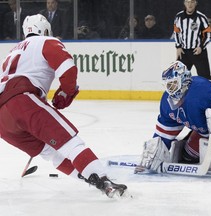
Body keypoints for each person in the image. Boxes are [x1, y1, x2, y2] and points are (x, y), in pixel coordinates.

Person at [0, 14, 127, 198]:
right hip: (22, 102)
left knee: (51, 152)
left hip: (3, 121)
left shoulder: (12, 52)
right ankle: (103, 180)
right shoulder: (46, 41)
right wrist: (66, 92)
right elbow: (67, 68)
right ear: (44, 30)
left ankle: (90, 178)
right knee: (69, 142)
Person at [173, 0, 211, 80]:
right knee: (178, 77)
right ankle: (181, 93)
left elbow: (209, 34)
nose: (189, 4)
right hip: (183, 52)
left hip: (198, 52)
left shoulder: (201, 17)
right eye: (187, 2)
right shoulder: (179, 16)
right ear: (184, 3)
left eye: (192, 2)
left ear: (195, 3)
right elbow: (176, 32)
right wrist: (178, 47)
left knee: (206, 78)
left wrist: (201, 47)